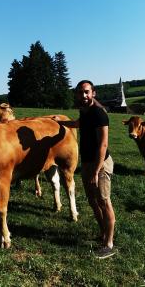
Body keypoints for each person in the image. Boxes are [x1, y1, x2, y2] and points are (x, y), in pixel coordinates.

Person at [56, 80, 116, 259]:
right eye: (80, 92)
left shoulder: (99, 114)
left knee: (104, 201)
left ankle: (109, 243)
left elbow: (103, 145)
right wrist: (62, 123)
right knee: (92, 200)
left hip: (100, 164)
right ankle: (103, 232)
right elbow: (79, 124)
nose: (83, 96)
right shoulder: (85, 111)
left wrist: (97, 171)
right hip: (88, 163)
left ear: (93, 93)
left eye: (87, 92)